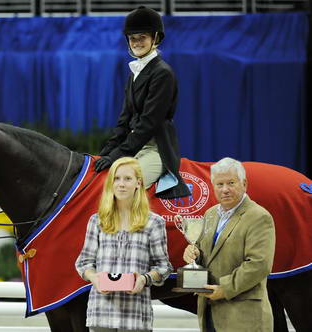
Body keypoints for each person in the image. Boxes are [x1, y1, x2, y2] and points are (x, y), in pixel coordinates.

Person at [94, 6, 190, 200]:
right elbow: (124, 119)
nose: (137, 43)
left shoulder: (162, 73)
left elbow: (148, 123)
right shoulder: (134, 74)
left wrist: (117, 155)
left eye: (142, 38)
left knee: (125, 188)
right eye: (133, 38)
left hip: (156, 149)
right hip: (135, 147)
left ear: (155, 39)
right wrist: (104, 153)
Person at [76, 157, 172, 331]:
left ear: (138, 183)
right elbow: (84, 263)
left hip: (135, 315)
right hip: (100, 313)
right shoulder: (97, 221)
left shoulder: (153, 222)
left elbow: (163, 266)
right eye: (117, 178)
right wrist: (95, 279)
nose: (121, 184)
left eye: (128, 179)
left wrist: (144, 279)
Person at [182, 157, 275, 332]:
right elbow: (207, 253)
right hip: (210, 313)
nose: (225, 189)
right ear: (213, 186)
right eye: (219, 184)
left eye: (231, 183)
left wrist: (224, 289)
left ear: (244, 183)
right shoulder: (210, 214)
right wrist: (193, 253)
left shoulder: (258, 217)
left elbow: (259, 265)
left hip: (244, 318)